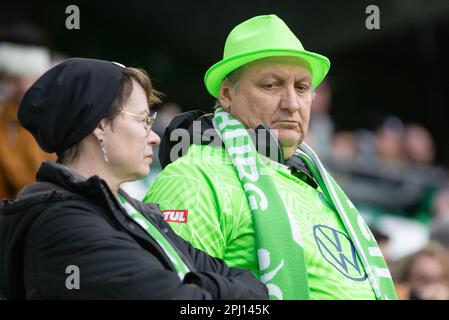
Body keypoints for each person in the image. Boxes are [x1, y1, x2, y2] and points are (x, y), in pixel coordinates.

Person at [145, 14, 396, 300]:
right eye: (271, 85)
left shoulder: (316, 185)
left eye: (302, 88)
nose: (292, 104)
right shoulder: (194, 178)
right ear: (227, 93)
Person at [0, 58, 268, 300]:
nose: (155, 137)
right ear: (100, 125)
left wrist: (194, 284)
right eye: (143, 120)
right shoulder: (65, 226)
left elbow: (253, 287)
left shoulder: (134, 213)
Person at [0, 31, 56, 199]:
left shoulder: (54, 119)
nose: (8, 89)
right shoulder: (7, 116)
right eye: (4, 80)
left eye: (16, 80)